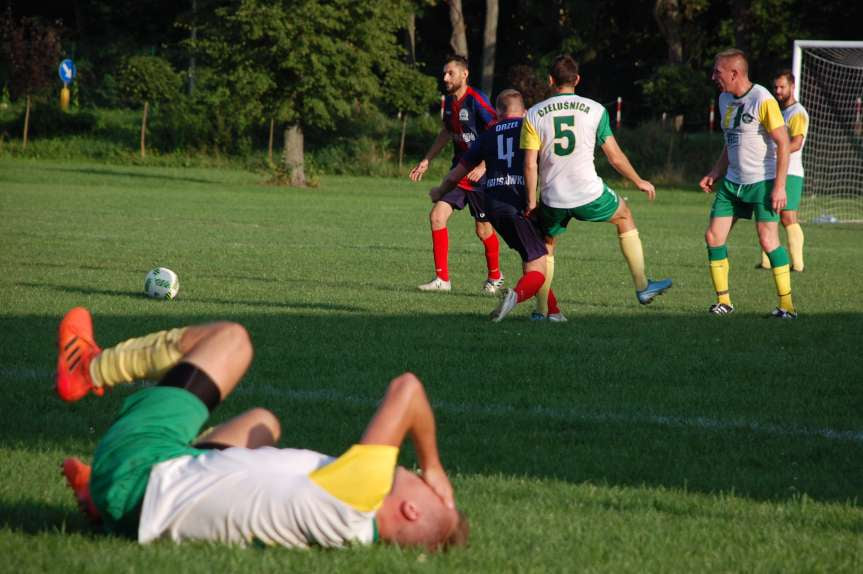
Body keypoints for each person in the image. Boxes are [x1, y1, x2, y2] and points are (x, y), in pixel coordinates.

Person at [55, 307, 467, 550]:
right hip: (138, 513)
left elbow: (407, 389)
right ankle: (99, 503)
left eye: (423, 487)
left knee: (231, 340)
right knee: (262, 424)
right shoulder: (351, 529)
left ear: (410, 510)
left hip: (138, 470)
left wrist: (434, 467)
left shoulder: (358, 498)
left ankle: (89, 368)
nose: (416, 475)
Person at [520, 54, 672, 320]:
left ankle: (541, 311)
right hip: (588, 192)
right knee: (624, 216)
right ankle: (642, 287)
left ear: (550, 80)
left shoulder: (533, 114)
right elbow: (614, 156)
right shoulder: (595, 109)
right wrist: (638, 180)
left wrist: (532, 203)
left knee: (546, 245)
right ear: (577, 79)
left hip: (553, 196)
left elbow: (530, 165)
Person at [430, 88, 563, 322]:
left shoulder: (487, 135)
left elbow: (455, 175)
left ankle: (553, 311)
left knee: (530, 254)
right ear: (524, 110)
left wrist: (439, 191)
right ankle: (516, 295)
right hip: (519, 204)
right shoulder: (530, 129)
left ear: (498, 112)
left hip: (493, 206)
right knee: (538, 267)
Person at [700, 49, 796, 318]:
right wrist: (715, 172)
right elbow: (730, 142)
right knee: (713, 237)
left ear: (735, 73)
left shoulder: (762, 98)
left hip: (761, 183)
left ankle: (787, 306)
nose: (713, 77)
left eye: (718, 72)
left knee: (768, 241)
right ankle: (724, 302)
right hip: (732, 184)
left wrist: (779, 187)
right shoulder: (723, 99)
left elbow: (784, 143)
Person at [409, 54, 503, 294]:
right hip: (458, 170)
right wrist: (426, 160)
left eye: (450, 73)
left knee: (483, 230)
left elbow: (496, 130)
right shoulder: (450, 103)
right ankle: (442, 279)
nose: (445, 77)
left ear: (464, 74)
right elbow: (446, 132)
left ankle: (495, 277)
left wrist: (484, 165)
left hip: (480, 176)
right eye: (444, 73)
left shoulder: (477, 100)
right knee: (436, 216)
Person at [756, 69, 808, 273]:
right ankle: (766, 262)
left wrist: (778, 152)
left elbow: (797, 142)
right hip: (774, 171)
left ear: (792, 87)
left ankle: (798, 265)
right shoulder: (778, 111)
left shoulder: (797, 113)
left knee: (788, 216)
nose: (777, 90)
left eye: (782, 87)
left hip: (791, 171)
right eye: (775, 86)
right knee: (769, 213)